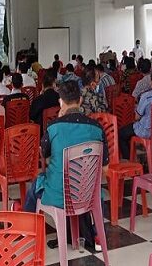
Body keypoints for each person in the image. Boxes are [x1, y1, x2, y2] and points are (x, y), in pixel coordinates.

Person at [21, 80, 108, 249]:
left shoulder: (53, 127)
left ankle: (26, 227)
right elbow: (104, 169)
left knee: (37, 182)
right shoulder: (97, 128)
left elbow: (45, 158)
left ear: (60, 101)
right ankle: (97, 234)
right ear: (80, 100)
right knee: (98, 191)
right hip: (88, 193)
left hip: (59, 193)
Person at [118, 69, 152, 159]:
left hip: (147, 131)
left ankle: (128, 160)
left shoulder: (147, 96)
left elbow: (137, 117)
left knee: (121, 133)